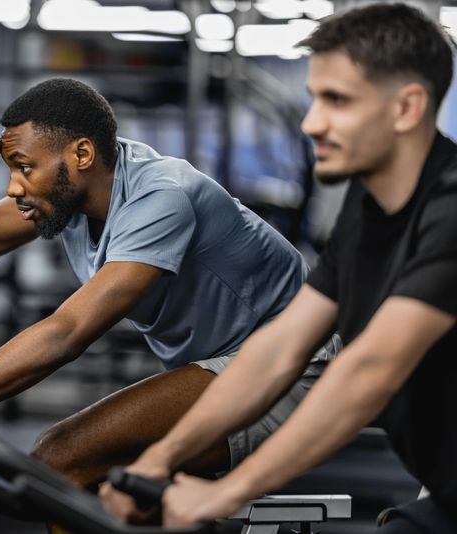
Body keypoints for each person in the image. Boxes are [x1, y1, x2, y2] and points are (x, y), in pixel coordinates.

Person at [0, 76, 338, 489]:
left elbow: (65, 334)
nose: (12, 187)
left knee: (61, 458)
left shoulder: (161, 196)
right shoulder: (74, 190)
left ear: (82, 154)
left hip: (292, 362)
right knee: (101, 485)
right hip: (224, 364)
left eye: (24, 167)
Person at [100, 3, 457, 532]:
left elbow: (371, 371)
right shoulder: (369, 210)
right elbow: (278, 348)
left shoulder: (451, 212)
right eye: (315, 98)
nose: (312, 123)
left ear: (406, 108)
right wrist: (160, 459)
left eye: (337, 101)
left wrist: (227, 491)